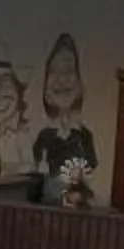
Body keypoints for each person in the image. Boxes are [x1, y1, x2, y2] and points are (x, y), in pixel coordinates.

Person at [27, 33, 97, 205]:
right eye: (54, 73)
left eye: (68, 71)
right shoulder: (44, 136)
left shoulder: (84, 136)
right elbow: (37, 171)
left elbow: (90, 170)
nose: (61, 80)